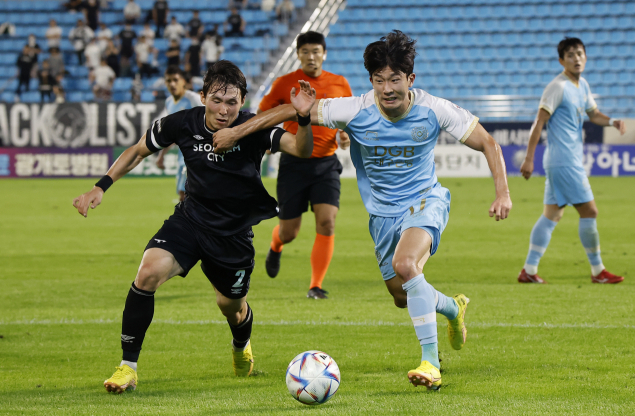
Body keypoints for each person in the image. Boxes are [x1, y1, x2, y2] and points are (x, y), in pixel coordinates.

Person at [213, 31, 512, 390]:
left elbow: (488, 142)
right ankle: (451, 307)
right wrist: (238, 132)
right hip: (383, 215)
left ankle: (430, 364)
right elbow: (289, 110)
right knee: (402, 295)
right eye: (379, 79)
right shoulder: (354, 109)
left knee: (406, 266)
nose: (387, 88)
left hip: (425, 200)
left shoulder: (435, 109)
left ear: (410, 79)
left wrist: (502, 193)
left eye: (395, 79)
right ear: (371, 81)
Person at [72, 60, 317, 393]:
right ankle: (127, 368)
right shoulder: (183, 123)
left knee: (230, 306)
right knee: (147, 273)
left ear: (242, 102)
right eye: (216, 100)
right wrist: (101, 186)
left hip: (233, 235)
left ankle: (240, 344)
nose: (224, 109)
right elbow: (138, 150)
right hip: (190, 220)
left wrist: (302, 118)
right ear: (202, 96)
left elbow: (301, 149)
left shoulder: (253, 127)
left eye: (232, 102)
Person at [518, 37, 626, 285]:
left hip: (563, 161)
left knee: (551, 215)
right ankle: (598, 271)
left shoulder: (582, 86)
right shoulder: (558, 87)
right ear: (561, 61)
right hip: (564, 160)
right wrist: (528, 158)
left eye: (579, 53)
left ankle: (529, 270)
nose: (576, 58)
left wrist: (612, 121)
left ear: (585, 57)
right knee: (590, 210)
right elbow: (539, 123)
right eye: (570, 55)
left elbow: (594, 114)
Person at [258, 31, 352, 299]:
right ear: (298, 54)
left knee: (327, 222)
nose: (311, 57)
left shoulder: (340, 84)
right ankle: (276, 245)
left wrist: (344, 135)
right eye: (305, 52)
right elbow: (262, 113)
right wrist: (264, 140)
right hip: (293, 164)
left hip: (326, 164)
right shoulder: (284, 83)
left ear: (324, 53)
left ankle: (315, 285)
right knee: (290, 232)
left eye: (316, 51)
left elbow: (348, 119)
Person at [154, 65, 204, 201]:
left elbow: (212, 120)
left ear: (183, 81)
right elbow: (172, 133)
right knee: (183, 195)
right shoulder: (169, 102)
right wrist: (161, 155)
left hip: (198, 153)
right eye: (169, 81)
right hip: (183, 155)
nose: (172, 84)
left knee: (187, 195)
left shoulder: (194, 99)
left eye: (175, 80)